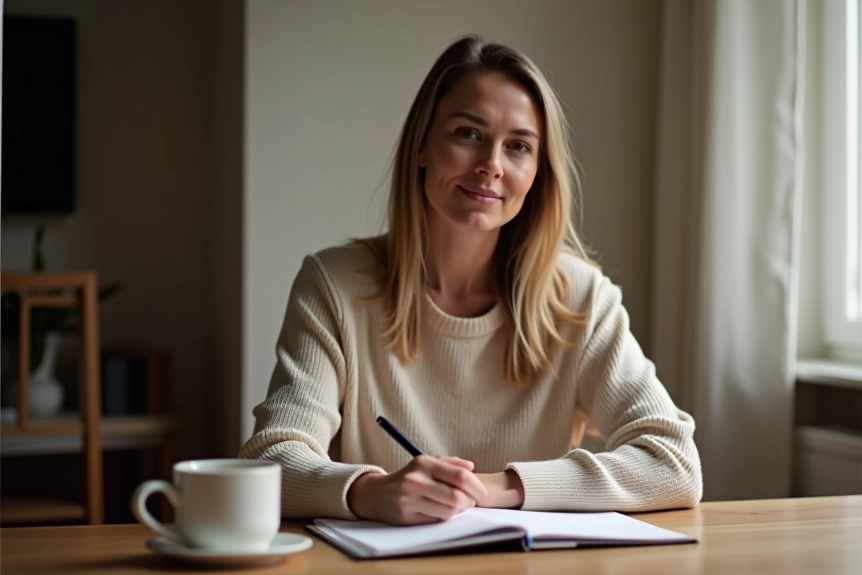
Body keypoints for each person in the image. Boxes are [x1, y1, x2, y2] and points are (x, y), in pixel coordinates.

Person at [240, 35, 702, 526]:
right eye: (467, 133)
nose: (491, 165)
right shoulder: (334, 284)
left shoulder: (582, 298)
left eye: (519, 146)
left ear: (538, 174)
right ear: (422, 145)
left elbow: (674, 465)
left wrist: (492, 488)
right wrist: (370, 492)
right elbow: (270, 461)